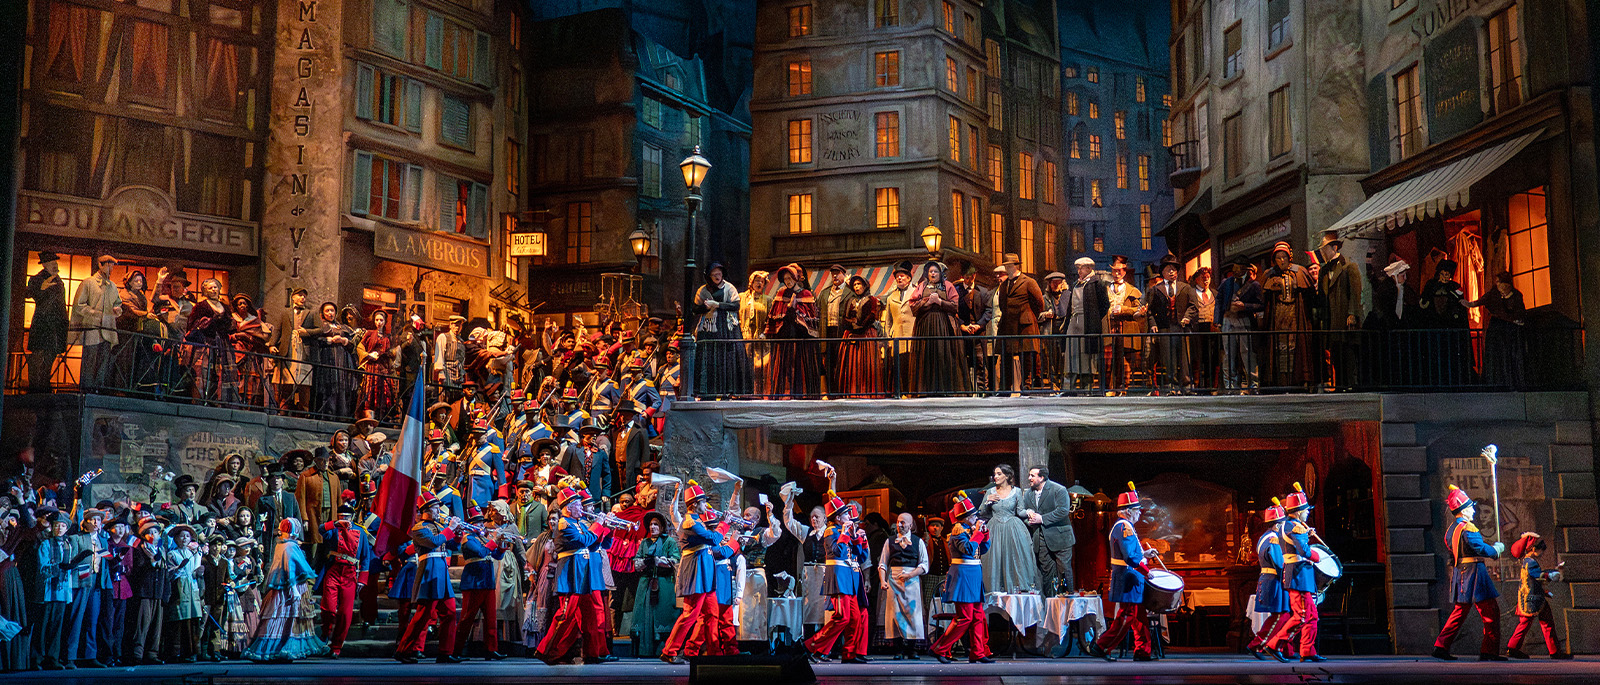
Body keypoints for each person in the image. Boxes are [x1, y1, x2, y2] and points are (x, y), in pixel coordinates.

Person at [535, 484, 609, 665]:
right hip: (571, 574)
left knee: (590, 615)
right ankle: (547, 651)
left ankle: (592, 653)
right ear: (568, 507)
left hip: (583, 574)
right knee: (565, 614)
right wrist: (598, 525)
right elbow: (583, 541)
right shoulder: (564, 523)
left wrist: (607, 528)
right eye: (577, 504)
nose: (581, 508)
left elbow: (594, 545)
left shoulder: (579, 523)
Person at [1431, 485, 1506, 661]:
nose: (1473, 510)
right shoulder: (1468, 528)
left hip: (1461, 573)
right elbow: (1480, 548)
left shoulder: (1451, 529)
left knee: (1459, 612)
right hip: (1475, 574)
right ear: (1463, 510)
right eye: (1470, 507)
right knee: (1490, 612)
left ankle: (1441, 646)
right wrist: (1496, 549)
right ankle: (1489, 651)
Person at [1088, 483, 1158, 662]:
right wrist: (1145, 571)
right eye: (1136, 510)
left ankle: (1142, 651)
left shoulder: (1126, 526)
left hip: (1131, 578)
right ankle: (1102, 646)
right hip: (1128, 578)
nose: (1139, 513)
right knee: (1126, 617)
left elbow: (1132, 553)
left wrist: (1145, 554)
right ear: (1127, 511)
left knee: (1139, 617)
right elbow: (1129, 557)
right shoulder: (1123, 527)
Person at [242, 518, 327, 662]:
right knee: (289, 617)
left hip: (281, 588)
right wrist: (294, 589)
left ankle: (278, 648)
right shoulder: (289, 546)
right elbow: (290, 569)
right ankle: (284, 648)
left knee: (283, 618)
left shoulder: (281, 545)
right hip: (290, 587)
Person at [394, 493, 466, 664]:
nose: (439, 511)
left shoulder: (439, 526)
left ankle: (445, 652)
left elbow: (451, 545)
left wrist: (457, 534)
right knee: (423, 615)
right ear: (426, 510)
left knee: (449, 613)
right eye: (435, 508)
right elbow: (434, 542)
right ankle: (403, 650)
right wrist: (450, 529)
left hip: (441, 571)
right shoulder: (419, 528)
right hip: (430, 570)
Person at [802, 491, 869, 664]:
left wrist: (857, 539)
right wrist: (846, 534)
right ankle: (811, 645)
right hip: (838, 577)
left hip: (849, 578)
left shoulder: (845, 530)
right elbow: (836, 552)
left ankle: (849, 653)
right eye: (846, 514)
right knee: (842, 617)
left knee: (855, 617)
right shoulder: (830, 531)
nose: (849, 517)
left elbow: (859, 555)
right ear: (838, 518)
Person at [1264, 483, 1326, 663]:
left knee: (1311, 615)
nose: (1307, 513)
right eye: (1305, 510)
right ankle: (1274, 644)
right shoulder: (1295, 527)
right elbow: (1304, 551)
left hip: (1299, 575)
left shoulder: (1289, 525)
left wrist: (1306, 534)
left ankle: (1307, 650)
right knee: (1302, 615)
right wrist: (1318, 557)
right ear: (1298, 512)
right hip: (1298, 574)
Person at [928, 492, 992, 664]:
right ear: (966, 518)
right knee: (964, 617)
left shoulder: (970, 531)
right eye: (973, 516)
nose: (976, 518)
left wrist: (984, 535)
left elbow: (982, 550)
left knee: (978, 616)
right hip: (963, 575)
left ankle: (978, 652)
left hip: (974, 575)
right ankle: (939, 648)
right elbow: (968, 549)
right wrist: (977, 533)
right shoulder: (958, 532)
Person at [315, 503, 372, 658]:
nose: (344, 519)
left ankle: (336, 646)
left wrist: (362, 579)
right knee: (328, 607)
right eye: (341, 517)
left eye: (346, 517)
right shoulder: (334, 529)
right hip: (334, 570)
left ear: (352, 517)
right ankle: (325, 632)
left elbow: (366, 557)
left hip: (350, 573)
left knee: (345, 614)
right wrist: (335, 523)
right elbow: (321, 529)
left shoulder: (361, 532)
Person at [908, 260, 971, 395]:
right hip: (925, 326)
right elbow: (913, 306)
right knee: (926, 356)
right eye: (931, 271)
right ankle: (925, 390)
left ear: (940, 273)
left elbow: (954, 306)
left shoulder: (948, 286)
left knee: (943, 354)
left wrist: (940, 302)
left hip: (943, 325)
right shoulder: (921, 286)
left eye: (935, 271)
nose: (933, 274)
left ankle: (945, 389)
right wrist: (927, 302)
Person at [1506, 532, 1572, 659]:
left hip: (1531, 596)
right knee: (1536, 623)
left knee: (1533, 623)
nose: (1542, 552)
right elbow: (1538, 575)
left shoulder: (1527, 561)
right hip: (1532, 598)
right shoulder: (1530, 562)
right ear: (1532, 549)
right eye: (1540, 548)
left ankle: (1513, 647)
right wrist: (1550, 575)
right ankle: (1553, 651)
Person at [454, 508, 508, 661]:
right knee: (467, 618)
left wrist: (502, 543)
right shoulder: (468, 539)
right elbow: (481, 553)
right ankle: (456, 650)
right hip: (474, 582)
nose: (481, 526)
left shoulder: (483, 538)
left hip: (487, 581)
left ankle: (491, 649)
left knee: (491, 618)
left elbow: (497, 556)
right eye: (477, 523)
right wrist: (494, 540)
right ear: (470, 524)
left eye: (481, 523)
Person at [1262, 242, 1315, 389]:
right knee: (1279, 348)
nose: (1281, 260)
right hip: (1278, 316)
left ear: (1289, 257)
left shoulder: (1300, 271)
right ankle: (1280, 380)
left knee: (1296, 346)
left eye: (1284, 257)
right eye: (1278, 258)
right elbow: (1263, 298)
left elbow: (1311, 296)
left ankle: (1298, 380)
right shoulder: (1269, 274)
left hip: (1295, 315)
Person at [694, 263, 751, 397]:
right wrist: (706, 307)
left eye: (719, 274)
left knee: (728, 357)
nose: (717, 276)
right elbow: (695, 309)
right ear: (709, 276)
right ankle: (707, 391)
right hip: (709, 329)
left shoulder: (729, 287)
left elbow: (736, 305)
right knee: (709, 358)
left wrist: (718, 305)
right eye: (714, 274)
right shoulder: (703, 290)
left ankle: (730, 389)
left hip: (727, 328)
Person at [764, 263, 821, 399]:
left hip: (800, 339)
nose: (788, 281)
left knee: (799, 366)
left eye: (790, 278)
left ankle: (800, 394)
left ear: (795, 278)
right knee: (783, 365)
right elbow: (774, 313)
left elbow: (810, 317)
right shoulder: (781, 293)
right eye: (785, 279)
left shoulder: (805, 294)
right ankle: (784, 393)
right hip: (784, 337)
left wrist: (794, 310)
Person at [978, 464, 1036, 594]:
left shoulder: (1016, 491)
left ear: (1007, 476)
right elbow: (981, 513)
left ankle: (1017, 591)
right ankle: (994, 592)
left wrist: (1029, 512)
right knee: (994, 559)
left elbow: (1020, 511)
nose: (995, 476)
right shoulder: (990, 492)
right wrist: (987, 502)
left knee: (1015, 558)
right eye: (995, 474)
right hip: (995, 529)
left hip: (1013, 529)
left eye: (999, 474)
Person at [877, 512, 928, 659]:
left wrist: (910, 575)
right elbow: (883, 563)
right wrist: (883, 581)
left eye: (903, 522)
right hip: (894, 580)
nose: (900, 525)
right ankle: (898, 649)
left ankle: (911, 649)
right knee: (895, 614)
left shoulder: (918, 542)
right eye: (898, 522)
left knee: (912, 614)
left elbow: (924, 565)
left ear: (910, 525)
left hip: (912, 581)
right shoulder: (890, 541)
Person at [1316, 230, 1362, 388]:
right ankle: (1340, 386)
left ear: (1334, 248)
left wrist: (1352, 313)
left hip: (1344, 319)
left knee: (1348, 355)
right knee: (1335, 355)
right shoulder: (1323, 271)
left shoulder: (1348, 266)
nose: (1323, 253)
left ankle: (1350, 386)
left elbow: (1355, 292)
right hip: (1331, 320)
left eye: (1325, 249)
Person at [1145, 255, 1198, 394]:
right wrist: (1153, 324)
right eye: (1168, 269)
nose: (1171, 272)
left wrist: (1187, 317)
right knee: (1168, 358)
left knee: (1184, 358)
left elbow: (1193, 306)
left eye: (1174, 269)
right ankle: (1171, 386)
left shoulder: (1185, 288)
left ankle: (1186, 386)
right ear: (1162, 272)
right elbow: (1149, 310)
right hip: (1165, 328)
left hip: (1181, 327)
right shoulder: (1156, 289)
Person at [71, 253, 123, 391]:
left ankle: (98, 388)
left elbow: (118, 303)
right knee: (90, 360)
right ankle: (87, 389)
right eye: (108, 266)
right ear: (100, 265)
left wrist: (117, 309)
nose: (111, 269)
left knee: (103, 360)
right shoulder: (88, 283)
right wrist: (96, 314)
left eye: (112, 266)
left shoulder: (112, 286)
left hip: (107, 328)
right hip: (92, 328)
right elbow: (79, 305)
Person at [1465, 272, 1527, 389]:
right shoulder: (1493, 294)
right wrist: (1469, 304)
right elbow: (1480, 302)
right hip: (1497, 329)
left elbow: (1520, 311)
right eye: (1497, 282)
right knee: (1496, 357)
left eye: (1500, 282)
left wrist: (1516, 320)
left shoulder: (1516, 295)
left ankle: (1512, 382)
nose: (1498, 284)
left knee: (1510, 356)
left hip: (1511, 330)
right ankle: (1496, 382)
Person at [1246, 499, 1290, 659]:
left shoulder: (1264, 537)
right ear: (1277, 525)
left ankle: (1281, 648)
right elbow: (1279, 564)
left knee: (1283, 615)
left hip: (1269, 579)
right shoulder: (1273, 540)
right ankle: (1258, 644)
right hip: (1274, 581)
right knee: (1280, 615)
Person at [1021, 465, 1075, 595]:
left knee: (1064, 570)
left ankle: (1067, 601)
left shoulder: (1058, 490)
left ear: (1042, 477)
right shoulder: (1028, 494)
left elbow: (1063, 511)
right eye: (1029, 475)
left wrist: (1042, 519)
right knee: (1046, 573)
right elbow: (1024, 513)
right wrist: (1030, 520)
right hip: (1040, 538)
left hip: (1060, 538)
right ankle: (1050, 602)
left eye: (1032, 475)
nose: (1029, 478)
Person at [631, 511, 678, 658]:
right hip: (646, 583)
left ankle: (662, 648)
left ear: (662, 526)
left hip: (663, 583)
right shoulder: (645, 543)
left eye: (656, 524)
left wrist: (659, 561)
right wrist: (645, 562)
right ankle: (645, 650)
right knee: (644, 614)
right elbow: (636, 561)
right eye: (651, 524)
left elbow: (675, 560)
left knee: (662, 614)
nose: (653, 527)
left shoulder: (669, 542)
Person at [998, 254, 1046, 392]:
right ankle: (1005, 388)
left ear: (1016, 266)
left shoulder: (1028, 282)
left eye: (1009, 265)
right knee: (1006, 357)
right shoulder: (1004, 284)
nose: (1007, 268)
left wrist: (1029, 316)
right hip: (1008, 325)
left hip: (1025, 325)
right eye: (1006, 266)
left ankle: (1026, 386)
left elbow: (1039, 303)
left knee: (1027, 357)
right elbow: (1002, 304)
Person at [1060, 257, 1109, 390]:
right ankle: (1068, 388)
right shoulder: (1076, 284)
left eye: (1081, 268)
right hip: (1073, 323)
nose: (1079, 271)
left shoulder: (1097, 283)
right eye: (1077, 268)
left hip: (1087, 324)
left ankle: (1087, 388)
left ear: (1089, 268)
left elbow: (1104, 305)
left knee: (1086, 357)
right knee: (1071, 354)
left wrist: (1093, 318)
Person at [187, 278, 239, 404]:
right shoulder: (201, 306)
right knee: (204, 372)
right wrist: (206, 322)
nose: (213, 290)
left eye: (215, 287)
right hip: (206, 343)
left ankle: (221, 401)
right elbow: (192, 324)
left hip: (223, 344)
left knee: (223, 372)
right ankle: (201, 400)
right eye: (210, 288)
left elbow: (231, 326)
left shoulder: (225, 307)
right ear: (205, 291)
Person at [26, 252, 68, 393]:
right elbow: (29, 293)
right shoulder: (37, 279)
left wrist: (64, 322)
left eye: (55, 262)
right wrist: (41, 288)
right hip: (42, 324)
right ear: (44, 265)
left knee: (50, 355)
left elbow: (61, 304)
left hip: (56, 325)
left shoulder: (59, 281)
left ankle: (44, 385)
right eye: (51, 263)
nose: (55, 265)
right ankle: (35, 387)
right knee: (38, 355)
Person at [1103, 256, 1145, 395]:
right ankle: (1110, 389)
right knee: (1108, 361)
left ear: (1125, 272)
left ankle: (1122, 388)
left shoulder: (1132, 290)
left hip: (1125, 328)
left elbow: (1138, 310)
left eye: (1120, 271)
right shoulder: (1106, 288)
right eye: (1114, 270)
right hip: (1109, 327)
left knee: (1124, 361)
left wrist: (1123, 309)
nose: (1117, 273)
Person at [837, 275, 885, 398]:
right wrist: (852, 324)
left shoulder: (871, 300)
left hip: (866, 335)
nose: (857, 287)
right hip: (852, 335)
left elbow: (872, 316)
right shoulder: (850, 301)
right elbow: (845, 317)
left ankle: (867, 391)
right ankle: (852, 391)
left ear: (864, 286)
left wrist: (860, 325)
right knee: (853, 364)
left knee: (866, 364)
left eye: (859, 284)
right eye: (854, 285)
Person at [1221, 261, 1264, 393]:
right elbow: (1219, 300)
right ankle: (1231, 386)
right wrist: (1218, 319)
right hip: (1228, 319)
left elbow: (1260, 305)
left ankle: (1253, 385)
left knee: (1247, 353)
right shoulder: (1227, 283)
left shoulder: (1254, 285)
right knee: (1229, 354)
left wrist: (1245, 306)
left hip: (1244, 319)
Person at [268, 287, 313, 412]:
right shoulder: (285, 313)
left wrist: (307, 332)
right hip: (288, 349)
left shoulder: (310, 313)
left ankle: (303, 410)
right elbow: (278, 330)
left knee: (304, 381)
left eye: (304, 296)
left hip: (303, 350)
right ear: (293, 297)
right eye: (300, 295)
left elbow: (319, 330)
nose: (302, 298)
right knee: (286, 380)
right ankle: (284, 407)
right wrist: (272, 344)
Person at [230, 294, 272, 406]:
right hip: (235, 351)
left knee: (250, 379)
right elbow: (227, 333)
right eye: (240, 304)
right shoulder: (232, 318)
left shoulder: (254, 321)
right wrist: (236, 336)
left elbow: (261, 337)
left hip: (251, 353)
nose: (242, 306)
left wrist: (247, 337)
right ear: (236, 306)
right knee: (235, 377)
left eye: (244, 303)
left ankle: (249, 403)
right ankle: (235, 401)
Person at [881, 262, 917, 392]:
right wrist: (889, 338)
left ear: (909, 278)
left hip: (912, 335)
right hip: (898, 337)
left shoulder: (916, 293)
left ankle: (913, 392)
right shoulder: (891, 297)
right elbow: (888, 321)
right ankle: (902, 392)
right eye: (897, 277)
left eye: (902, 276)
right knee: (900, 366)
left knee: (913, 365)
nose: (899, 278)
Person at [815, 264, 849, 394]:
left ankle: (842, 391)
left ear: (843, 275)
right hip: (827, 330)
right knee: (828, 362)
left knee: (842, 362)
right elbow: (818, 312)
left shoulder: (849, 291)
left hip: (842, 331)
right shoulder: (825, 293)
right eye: (833, 274)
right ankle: (830, 391)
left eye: (838, 273)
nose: (835, 276)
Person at [739, 271, 772, 396]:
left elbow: (771, 319)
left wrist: (765, 333)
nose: (759, 283)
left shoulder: (767, 300)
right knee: (744, 365)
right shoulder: (742, 297)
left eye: (762, 281)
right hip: (745, 336)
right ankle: (744, 391)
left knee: (760, 366)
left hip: (760, 338)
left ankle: (760, 392)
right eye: (757, 281)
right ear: (751, 282)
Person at [1187, 267, 1219, 391]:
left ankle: (1211, 386)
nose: (1206, 280)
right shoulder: (1191, 293)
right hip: (1197, 329)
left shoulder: (1214, 293)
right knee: (1197, 357)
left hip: (1212, 330)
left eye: (1208, 277)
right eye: (1202, 277)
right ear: (1196, 279)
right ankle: (1197, 385)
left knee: (1212, 358)